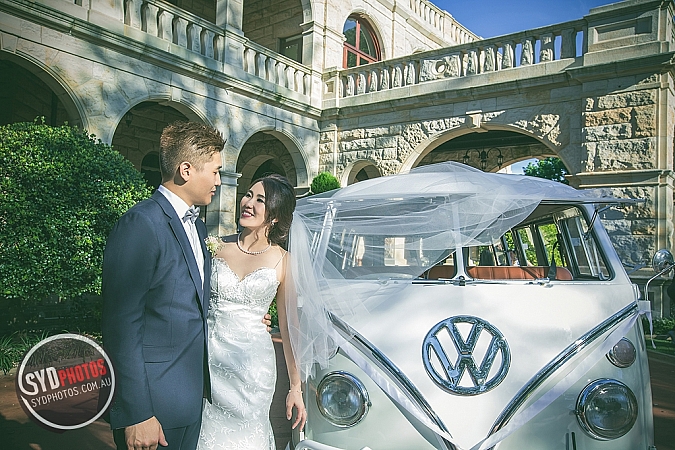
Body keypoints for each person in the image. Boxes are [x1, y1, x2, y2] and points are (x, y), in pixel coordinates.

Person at [102, 121, 270, 450]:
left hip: (192, 400)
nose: (219, 181)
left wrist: (246, 317)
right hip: (153, 405)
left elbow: (193, 301)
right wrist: (137, 413)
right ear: (186, 170)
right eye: (215, 171)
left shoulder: (198, 226)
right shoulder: (141, 224)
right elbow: (120, 325)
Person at [197, 174, 306, 450]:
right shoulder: (215, 246)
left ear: (275, 216)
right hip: (208, 360)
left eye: (260, 200)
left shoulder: (284, 261)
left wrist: (295, 387)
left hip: (253, 369)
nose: (248, 203)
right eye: (248, 195)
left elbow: (289, 328)